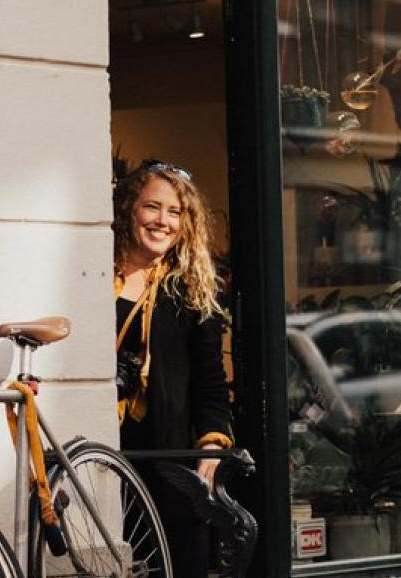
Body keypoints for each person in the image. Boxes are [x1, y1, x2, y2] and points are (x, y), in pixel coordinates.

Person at [113, 159, 232, 577]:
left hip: (169, 451)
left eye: (174, 212)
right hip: (108, 449)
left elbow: (210, 380)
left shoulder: (190, 289)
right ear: (129, 209)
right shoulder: (94, 277)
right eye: (151, 207)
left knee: (180, 562)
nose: (162, 221)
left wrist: (212, 446)